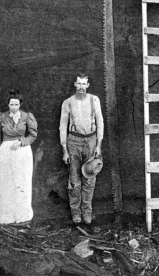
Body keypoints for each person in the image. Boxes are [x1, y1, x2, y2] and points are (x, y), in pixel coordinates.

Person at [0, 89, 37, 225]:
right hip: (6, 152)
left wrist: (21, 142)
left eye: (16, 105)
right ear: (8, 104)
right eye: (11, 105)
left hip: (22, 152)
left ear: (20, 104)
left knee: (20, 182)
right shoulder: (2, 117)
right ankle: (4, 214)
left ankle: (20, 214)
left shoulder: (26, 117)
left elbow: (33, 135)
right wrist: (1, 150)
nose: (14, 107)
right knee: (5, 182)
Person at [59, 74, 104, 225]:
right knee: (74, 180)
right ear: (74, 84)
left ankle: (87, 211)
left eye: (84, 84)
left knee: (89, 178)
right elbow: (62, 126)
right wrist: (64, 149)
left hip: (91, 141)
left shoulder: (94, 100)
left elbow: (100, 122)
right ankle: (75, 212)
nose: (81, 87)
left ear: (88, 85)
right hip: (73, 142)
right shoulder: (68, 102)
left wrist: (98, 145)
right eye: (79, 84)